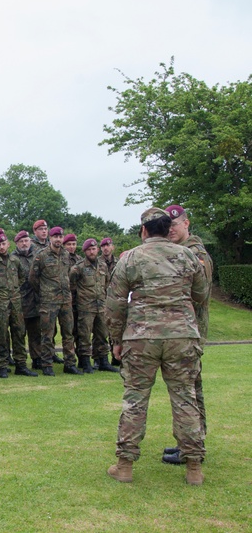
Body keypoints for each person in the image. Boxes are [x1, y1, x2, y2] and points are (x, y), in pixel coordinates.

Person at [105, 207, 209, 486]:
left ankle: (125, 465)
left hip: (141, 338)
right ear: (167, 229)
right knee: (185, 397)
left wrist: (116, 340)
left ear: (144, 231)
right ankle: (194, 468)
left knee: (135, 398)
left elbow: (114, 303)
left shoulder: (131, 258)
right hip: (181, 336)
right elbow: (201, 294)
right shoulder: (187, 255)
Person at [162, 204, 214, 466]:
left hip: (190, 331)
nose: (171, 229)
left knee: (191, 390)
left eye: (175, 224)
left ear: (187, 223)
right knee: (188, 388)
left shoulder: (196, 254)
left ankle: (194, 445)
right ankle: (188, 443)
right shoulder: (181, 252)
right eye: (168, 226)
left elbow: (200, 295)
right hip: (181, 330)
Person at [0, 232, 33, 378]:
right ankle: (2, 365)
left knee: (19, 333)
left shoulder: (15, 261)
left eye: (4, 244)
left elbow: (22, 277)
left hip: (15, 302)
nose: (2, 247)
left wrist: (15, 289)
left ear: (8, 244)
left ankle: (21, 364)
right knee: (1, 334)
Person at [30, 227, 82, 376]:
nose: (58, 239)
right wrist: (45, 292)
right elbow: (33, 278)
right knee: (47, 334)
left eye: (60, 236)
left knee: (68, 333)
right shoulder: (42, 255)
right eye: (55, 237)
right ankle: (46, 364)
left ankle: (70, 363)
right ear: (50, 238)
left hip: (66, 300)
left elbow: (69, 276)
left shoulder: (66, 255)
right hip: (49, 301)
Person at [69, 238, 114, 374]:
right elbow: (72, 286)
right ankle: (86, 362)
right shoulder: (78, 267)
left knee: (102, 334)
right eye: (89, 249)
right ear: (84, 252)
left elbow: (106, 284)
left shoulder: (103, 266)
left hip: (101, 306)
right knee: (84, 335)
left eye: (94, 249)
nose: (92, 251)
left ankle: (103, 360)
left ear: (97, 250)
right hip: (85, 307)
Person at [13, 231, 42, 371]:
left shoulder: (37, 256)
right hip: (19, 301)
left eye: (26, 240)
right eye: (21, 241)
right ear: (16, 243)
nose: (24, 244)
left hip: (35, 301)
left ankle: (37, 359)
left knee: (36, 333)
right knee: (19, 333)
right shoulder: (13, 258)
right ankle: (20, 361)